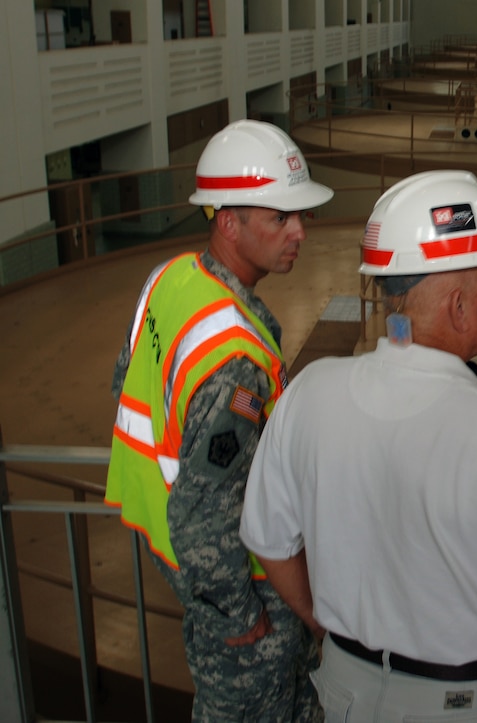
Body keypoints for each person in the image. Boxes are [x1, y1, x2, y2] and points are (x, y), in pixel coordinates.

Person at [239, 170, 477, 723]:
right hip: (464, 705)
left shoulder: (309, 392)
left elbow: (268, 541)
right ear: (458, 307)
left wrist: (326, 626)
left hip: (342, 692)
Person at [105, 119, 333, 721]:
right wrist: (241, 614)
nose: (299, 232)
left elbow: (124, 385)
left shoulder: (171, 279)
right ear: (228, 222)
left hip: (189, 576)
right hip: (242, 592)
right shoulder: (234, 360)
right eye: (280, 218)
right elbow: (204, 510)